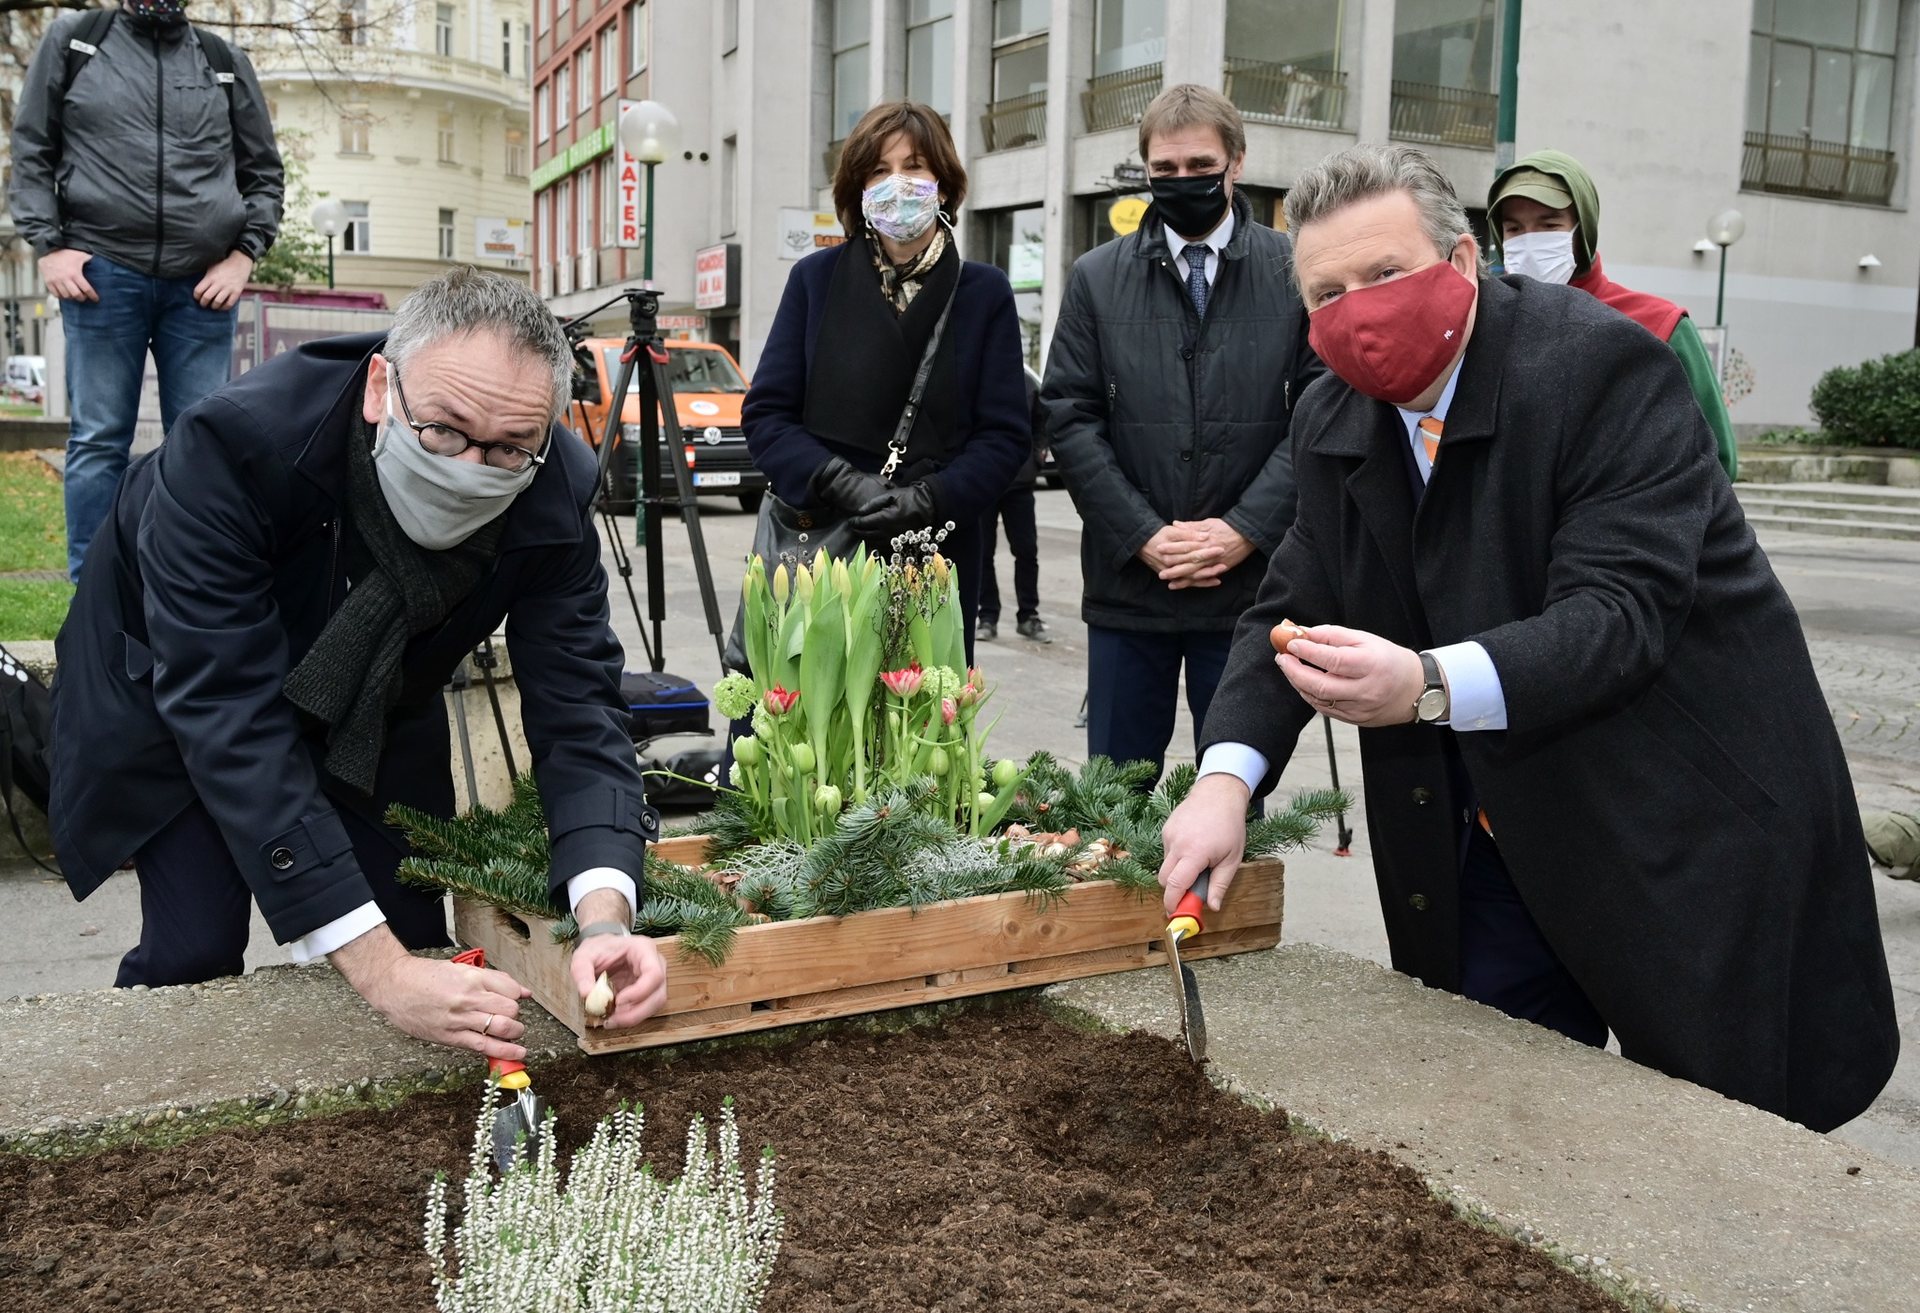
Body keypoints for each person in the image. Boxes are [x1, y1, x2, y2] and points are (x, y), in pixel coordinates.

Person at [1159, 143, 1897, 1134]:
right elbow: (1285, 605)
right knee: (1505, 1128)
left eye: (1385, 275)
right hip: (1491, 844)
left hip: (1675, 822)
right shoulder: (1335, 416)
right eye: (1326, 292)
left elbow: (1618, 615)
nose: (1358, 311)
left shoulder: (1600, 369)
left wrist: (1422, 683)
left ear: (1465, 262)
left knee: (1709, 1135)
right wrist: (1224, 779)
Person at [50, 268, 667, 1062]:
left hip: (382, 695)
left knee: (415, 930)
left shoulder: (554, 494)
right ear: (382, 387)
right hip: (179, 688)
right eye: (444, 430)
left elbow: (582, 709)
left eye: (510, 446)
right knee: (194, 945)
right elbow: (229, 711)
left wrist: (608, 918)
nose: (472, 467)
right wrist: (378, 973)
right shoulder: (234, 448)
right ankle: (140, 1099)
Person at [1042, 84, 1321, 782]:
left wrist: (1243, 529)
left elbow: (1320, 414)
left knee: (1235, 795)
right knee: (1114, 800)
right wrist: (1143, 535)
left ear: (1237, 162)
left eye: (1199, 163)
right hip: (1129, 588)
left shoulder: (1295, 274)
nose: (1181, 181)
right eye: (1163, 170)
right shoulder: (1095, 279)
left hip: (1250, 593)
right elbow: (1070, 418)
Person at [8, 0, 286, 581]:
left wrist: (243, 256)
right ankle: (95, 589)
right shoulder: (77, 40)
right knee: (99, 438)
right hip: (102, 274)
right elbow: (33, 148)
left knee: (202, 444)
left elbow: (263, 172)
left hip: (203, 284)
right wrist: (48, 246)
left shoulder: (221, 59)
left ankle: (189, 584)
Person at [742, 100, 1028, 657]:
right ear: (858, 190)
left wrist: (928, 497)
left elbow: (1004, 437)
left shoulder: (983, 292)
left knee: (916, 726)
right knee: (808, 722)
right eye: (878, 170)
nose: (897, 183)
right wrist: (840, 480)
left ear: (943, 184)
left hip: (933, 553)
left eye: (915, 166)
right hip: (819, 546)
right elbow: (766, 415)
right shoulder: (814, 280)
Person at [1487, 150, 1738, 480]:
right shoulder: (1486, 328)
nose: (1530, 242)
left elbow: (1718, 459)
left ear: (1584, 230)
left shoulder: (1659, 325)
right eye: (1514, 229)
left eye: (1549, 225)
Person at [976, 369, 1050, 645]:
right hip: (984, 483)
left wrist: (1037, 457)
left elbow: (1042, 422)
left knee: (1026, 550)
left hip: (1020, 484)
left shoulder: (1028, 384)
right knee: (983, 553)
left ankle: (1028, 616)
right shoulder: (979, 378)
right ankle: (987, 617)